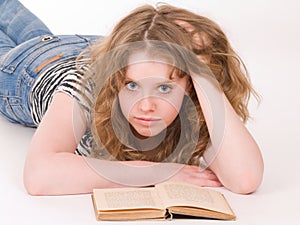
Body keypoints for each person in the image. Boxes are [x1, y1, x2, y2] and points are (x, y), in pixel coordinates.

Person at [0, 0, 264, 196]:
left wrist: (201, 71)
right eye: (131, 85)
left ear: (189, 85)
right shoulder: (86, 86)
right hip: (26, 67)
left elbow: (245, 179)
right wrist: (157, 173)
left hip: (91, 45)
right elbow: (39, 176)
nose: (146, 106)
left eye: (163, 88)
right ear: (116, 79)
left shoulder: (189, 98)